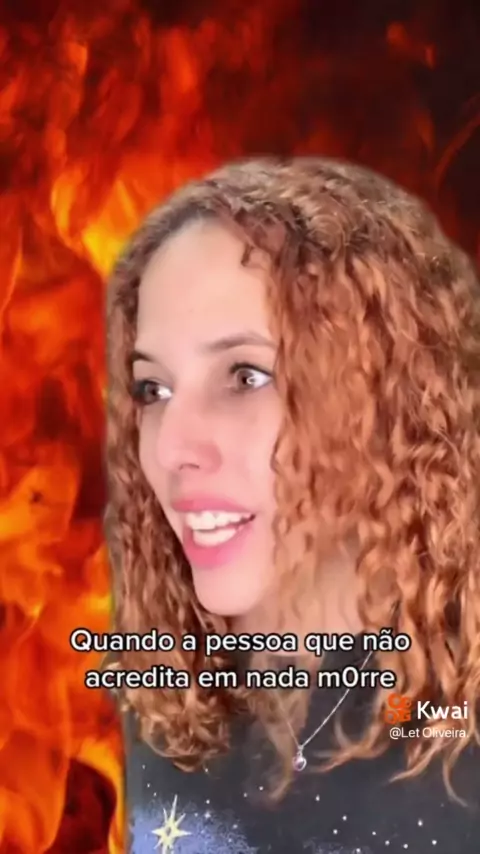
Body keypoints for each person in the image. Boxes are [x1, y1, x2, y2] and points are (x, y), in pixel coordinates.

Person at [105, 157, 480, 854]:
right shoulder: (167, 697)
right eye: (153, 390)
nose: (172, 447)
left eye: (245, 376)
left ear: (385, 398)